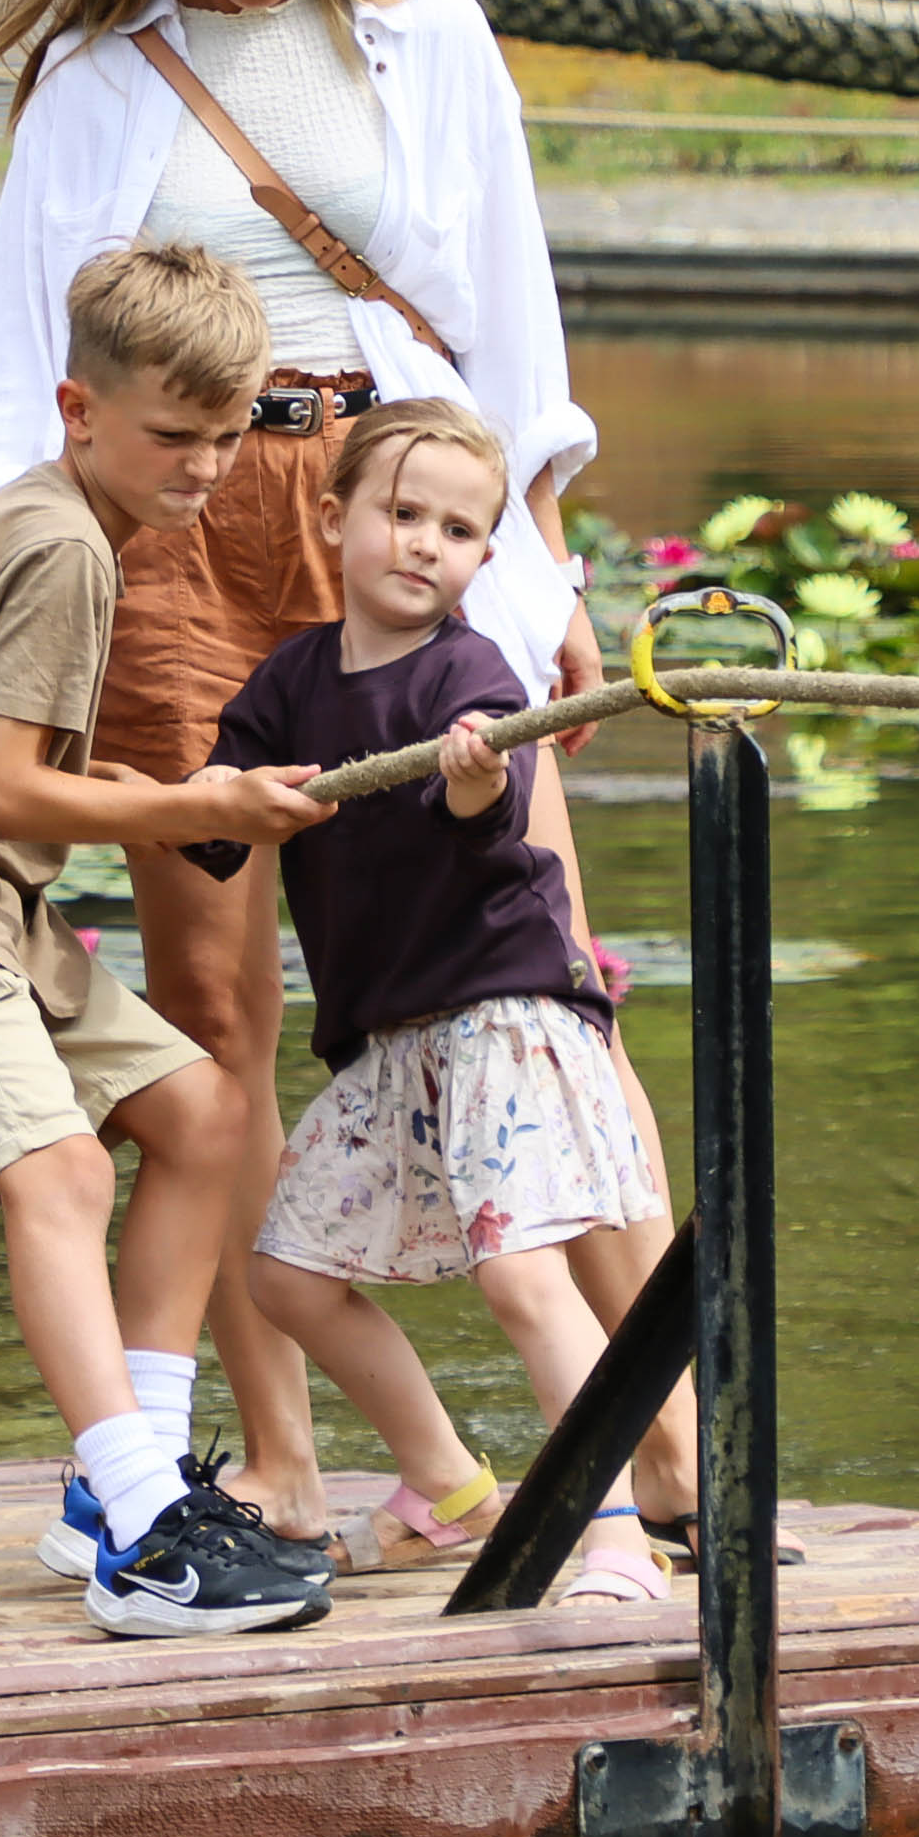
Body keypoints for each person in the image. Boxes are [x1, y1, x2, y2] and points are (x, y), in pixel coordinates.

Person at [0, 0, 670, 1554]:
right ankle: (277, 1450)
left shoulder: (424, 26)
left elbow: (506, 300)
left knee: (548, 985)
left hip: (398, 497)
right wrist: (43, 583)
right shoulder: (95, 72)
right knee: (216, 1010)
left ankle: (671, 1445)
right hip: (180, 527)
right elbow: (26, 363)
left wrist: (542, 555)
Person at [0, 244, 338, 1636]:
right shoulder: (57, 548)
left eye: (231, 436)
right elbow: (5, 790)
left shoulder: (81, 521)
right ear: (77, 409)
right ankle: (150, 1536)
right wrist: (194, 804)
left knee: (206, 1115)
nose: (207, 467)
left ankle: (123, 1481)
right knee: (63, 1170)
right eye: (175, 436)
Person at [205, 400, 670, 1608]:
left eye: (456, 528)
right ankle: (449, 1487)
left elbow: (489, 819)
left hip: (504, 1012)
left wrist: (468, 779)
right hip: (393, 1037)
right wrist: (184, 800)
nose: (423, 543)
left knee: (522, 1277)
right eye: (401, 513)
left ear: (483, 557)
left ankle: (615, 1530)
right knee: (289, 1274)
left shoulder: (475, 673)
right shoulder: (293, 679)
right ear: (335, 518)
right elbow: (217, 805)